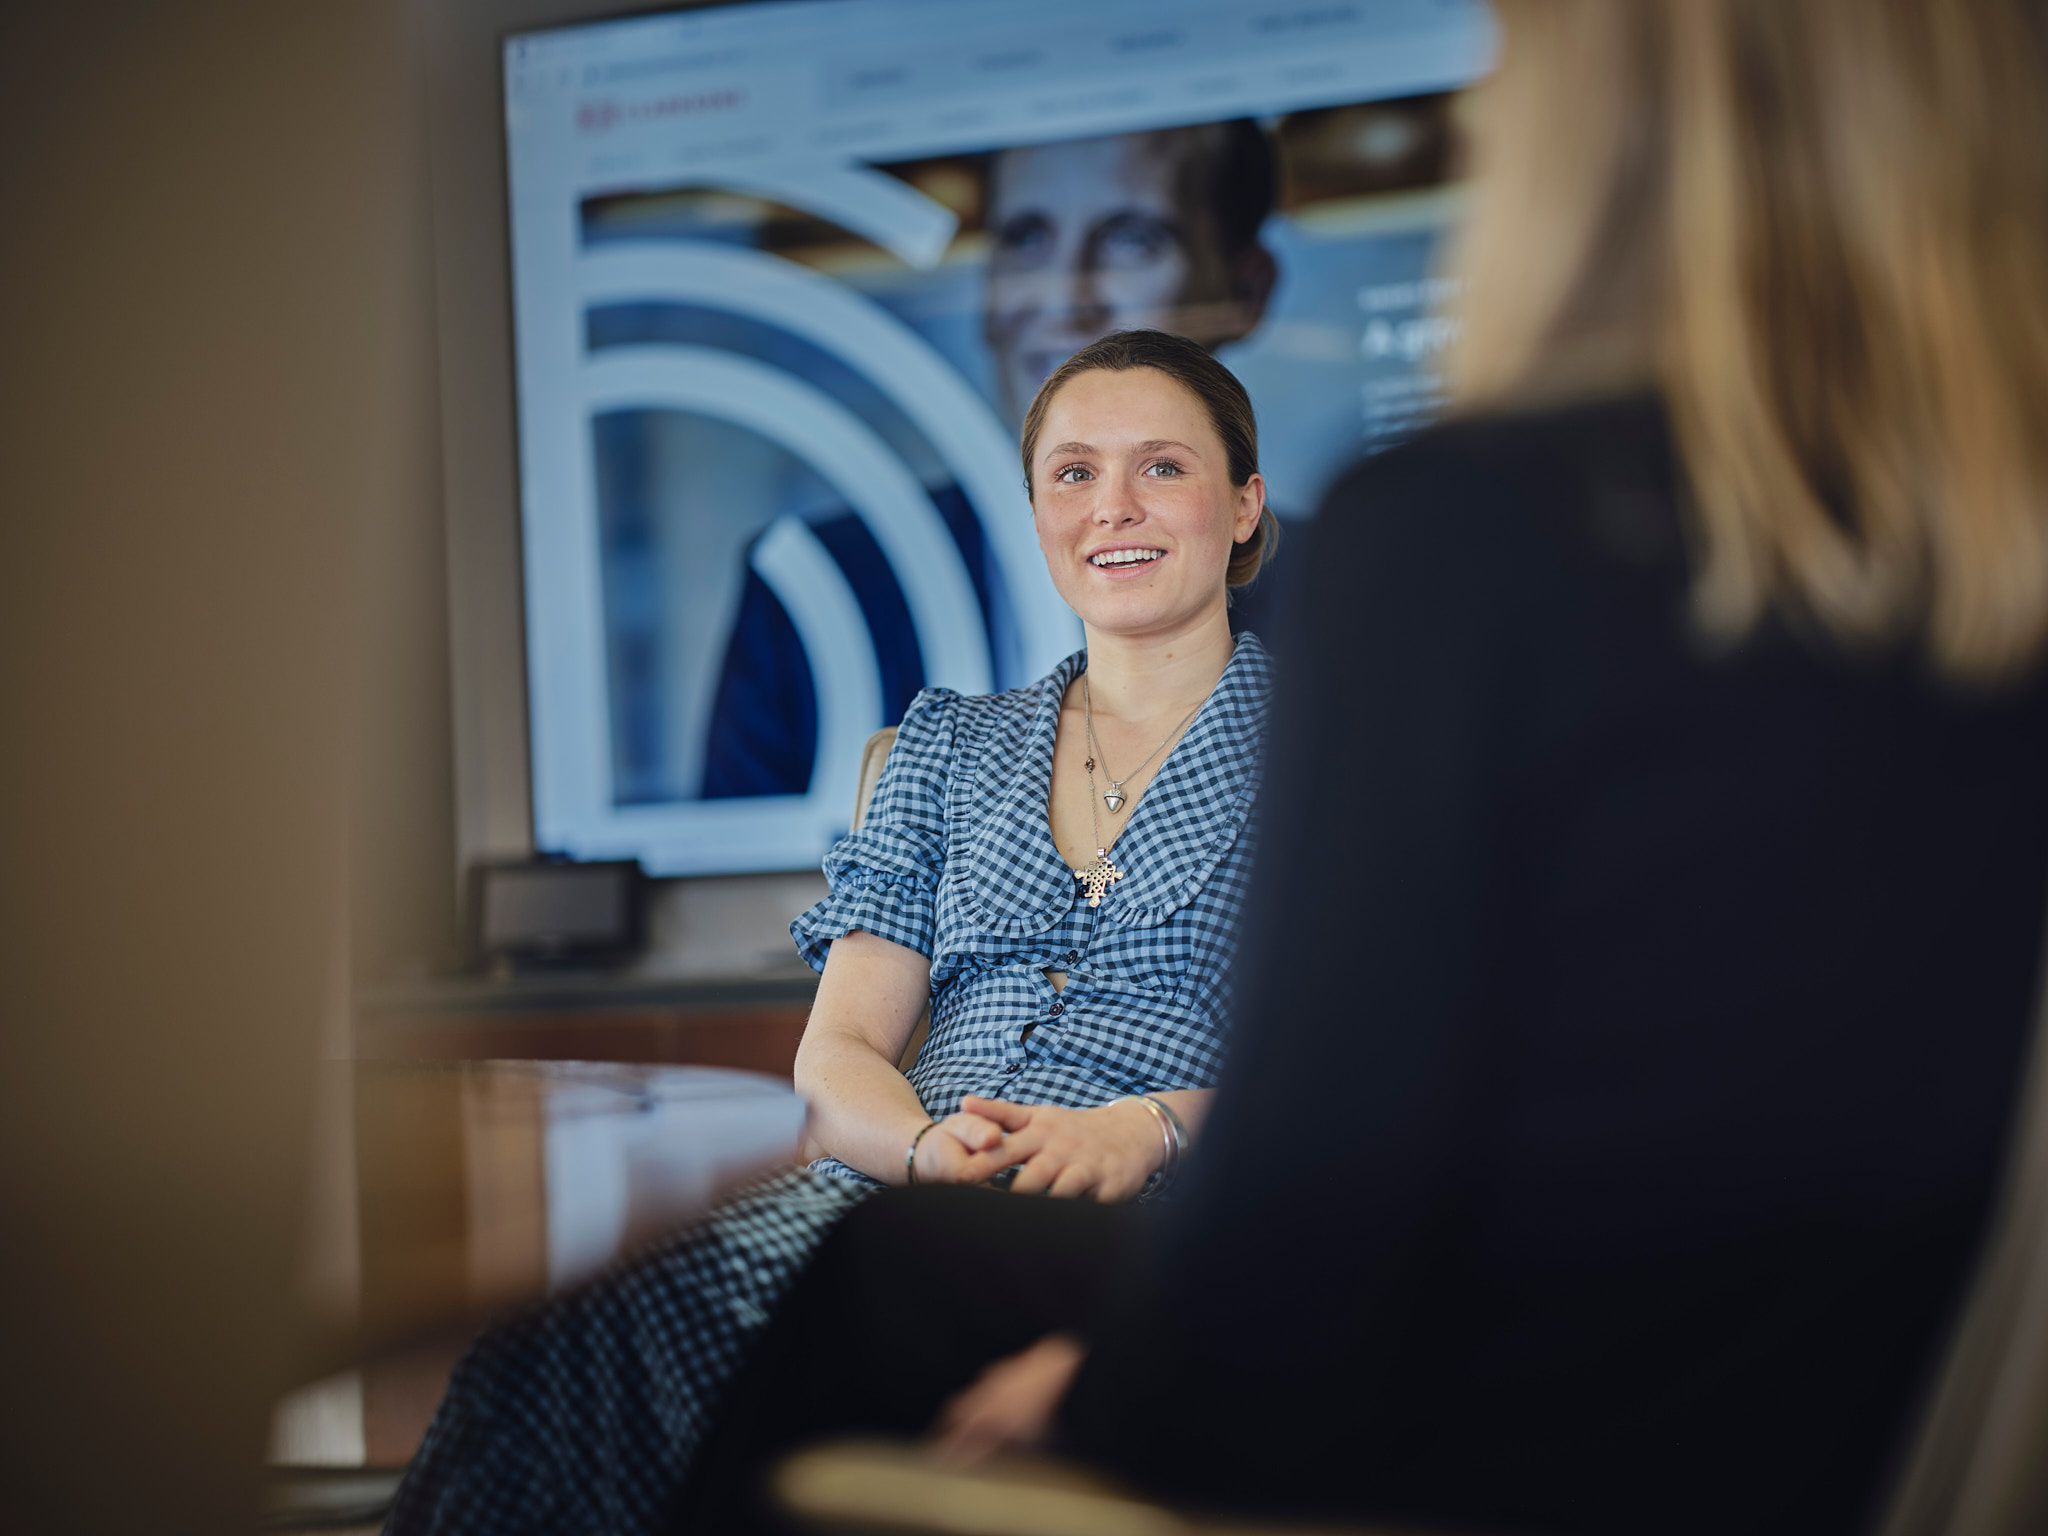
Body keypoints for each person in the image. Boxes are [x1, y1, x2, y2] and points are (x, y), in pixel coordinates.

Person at [672, 4, 2048, 1534]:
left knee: (878, 1277)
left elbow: (1335, 1173)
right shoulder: (1993, 565)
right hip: (1802, 1429)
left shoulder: (1463, 536)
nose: (1114, 504)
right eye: (1072, 468)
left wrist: (1115, 1374)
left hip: (1493, 1433)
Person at [384, 329, 1284, 1536]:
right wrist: (921, 1154)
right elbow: (839, 1052)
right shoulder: (947, 745)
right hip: (902, 1180)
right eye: (1072, 473)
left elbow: (1368, 1070)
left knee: (771, 1317)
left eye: (1159, 467)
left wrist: (1148, 1127)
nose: (1110, 506)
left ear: (1241, 503)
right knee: (573, 1309)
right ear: (1034, 514)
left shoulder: (1334, 745)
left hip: (1157, 1202)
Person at [699, 121, 1282, 795]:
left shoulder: (1341, 629)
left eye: (1131, 240)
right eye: (1027, 239)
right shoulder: (823, 598)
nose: (1065, 299)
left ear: (1243, 289)